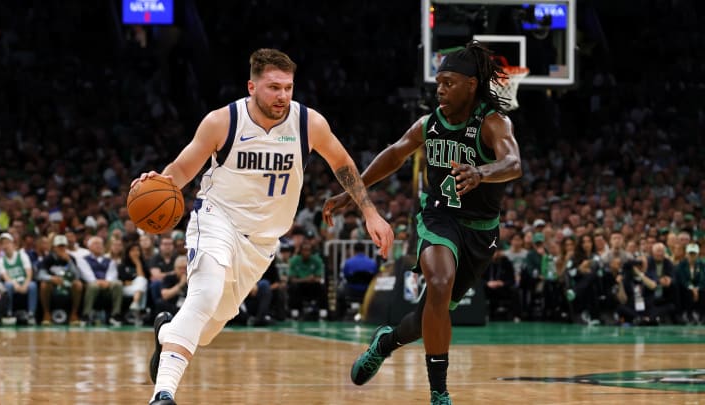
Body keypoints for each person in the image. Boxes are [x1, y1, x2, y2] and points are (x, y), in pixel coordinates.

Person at [134, 48, 394, 405]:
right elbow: (181, 170)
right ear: (252, 86)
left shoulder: (308, 123)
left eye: (288, 87)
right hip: (217, 219)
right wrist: (158, 182)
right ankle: (163, 394)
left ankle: (166, 331)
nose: (283, 96)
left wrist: (370, 213)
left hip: (262, 241)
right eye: (274, 87)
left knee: (207, 328)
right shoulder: (222, 122)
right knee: (204, 295)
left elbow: (343, 164)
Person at [323, 40, 522, 405]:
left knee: (427, 316)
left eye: (449, 82)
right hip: (438, 218)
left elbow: (513, 163)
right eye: (439, 83)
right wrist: (351, 192)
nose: (440, 90)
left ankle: (386, 341)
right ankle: (439, 394)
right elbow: (395, 154)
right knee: (440, 281)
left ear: (472, 84)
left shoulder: (494, 122)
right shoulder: (429, 124)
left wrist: (481, 171)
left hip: (480, 231)